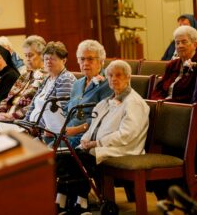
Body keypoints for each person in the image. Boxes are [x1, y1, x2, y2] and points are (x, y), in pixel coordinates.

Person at [56, 60, 150, 214]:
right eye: (110, 75)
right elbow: (92, 127)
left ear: (128, 77)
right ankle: (63, 200)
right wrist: (85, 140)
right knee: (64, 157)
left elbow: (127, 134)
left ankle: (81, 203)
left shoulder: (134, 103)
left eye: (118, 75)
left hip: (122, 148)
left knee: (77, 160)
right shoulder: (105, 102)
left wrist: (97, 143)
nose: (113, 79)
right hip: (99, 146)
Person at [0, 35, 47, 135]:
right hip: (8, 118)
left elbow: (36, 105)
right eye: (25, 55)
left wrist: (12, 116)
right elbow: (7, 97)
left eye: (30, 55)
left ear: (42, 55)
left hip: (23, 121)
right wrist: (1, 112)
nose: (27, 59)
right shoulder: (25, 75)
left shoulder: (46, 77)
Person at [23, 41, 76, 144]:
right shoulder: (48, 78)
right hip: (35, 129)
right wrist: (25, 123)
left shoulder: (66, 79)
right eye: (46, 59)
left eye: (53, 59)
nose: (48, 62)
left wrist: (36, 128)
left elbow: (62, 112)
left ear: (64, 60)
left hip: (51, 134)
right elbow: (33, 104)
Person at [65, 40, 113, 148]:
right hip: (68, 133)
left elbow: (105, 117)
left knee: (47, 154)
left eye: (90, 59)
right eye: (82, 59)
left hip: (88, 136)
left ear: (101, 61)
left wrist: (77, 130)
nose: (85, 63)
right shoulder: (77, 84)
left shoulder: (108, 83)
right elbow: (67, 111)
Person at [152, 25, 197, 103]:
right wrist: (157, 102)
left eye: (184, 42)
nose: (180, 46)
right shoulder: (172, 65)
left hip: (182, 109)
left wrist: (167, 103)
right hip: (164, 105)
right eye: (177, 43)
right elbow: (159, 89)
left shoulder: (195, 65)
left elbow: (190, 96)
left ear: (195, 45)